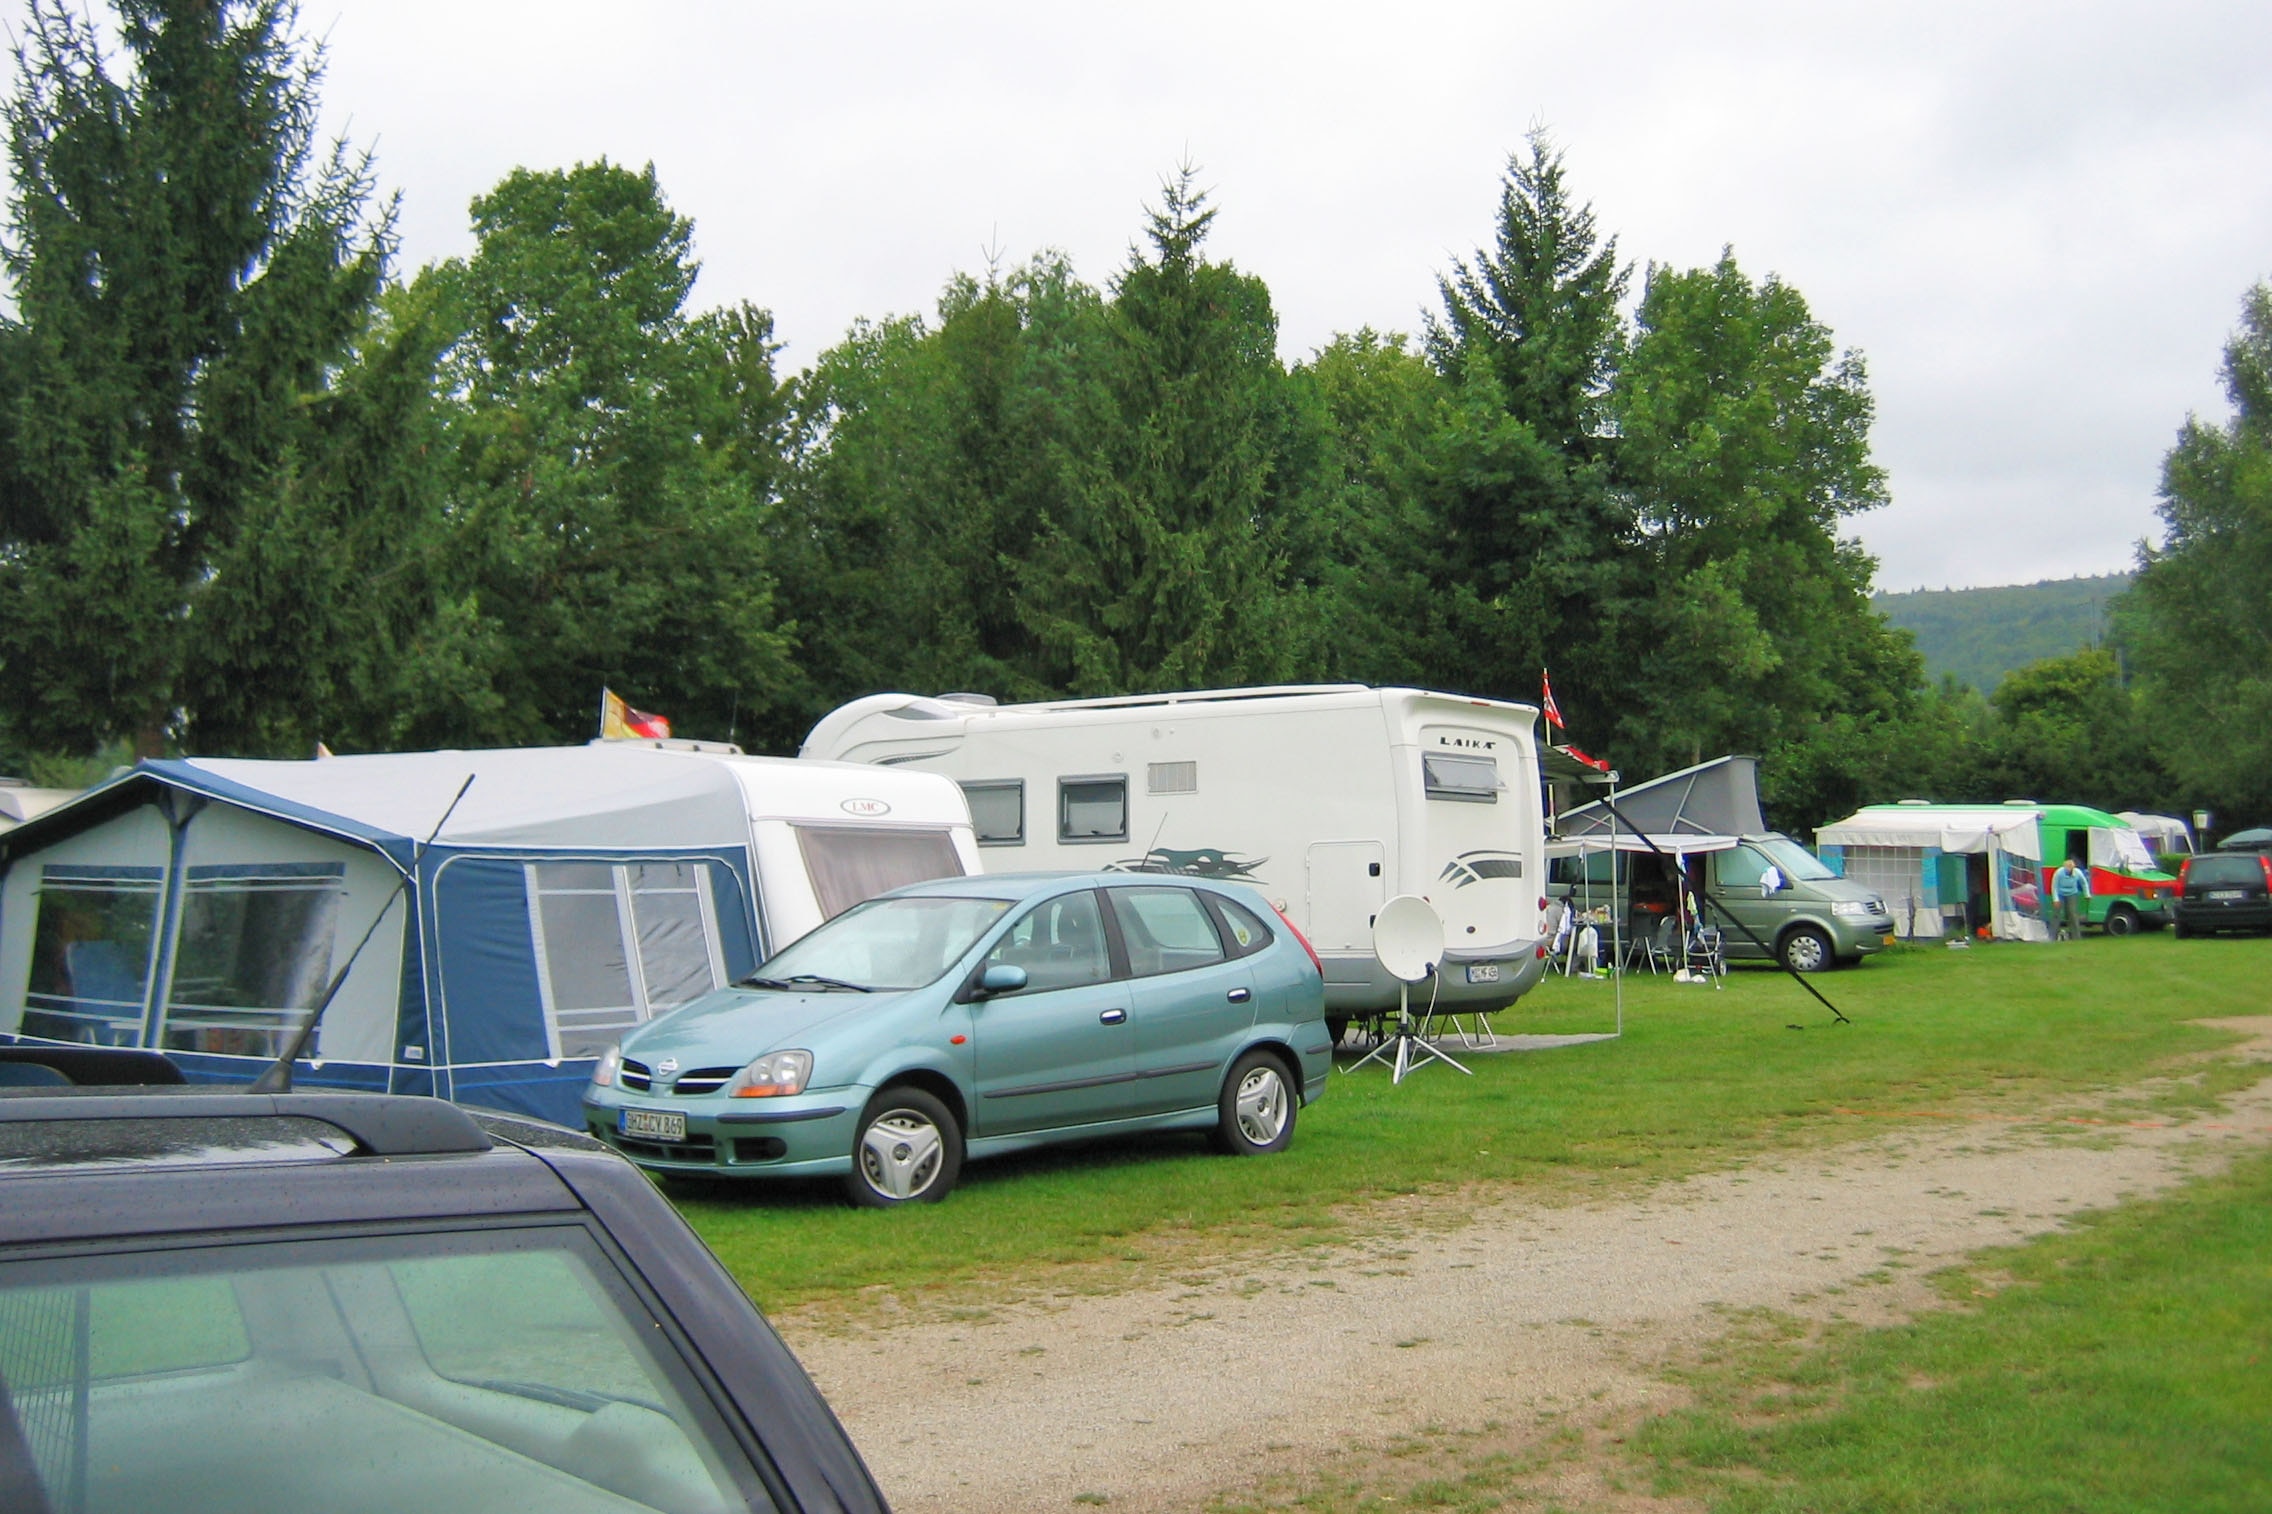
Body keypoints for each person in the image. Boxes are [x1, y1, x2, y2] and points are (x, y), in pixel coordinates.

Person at [2051, 856, 2090, 941]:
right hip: (2060, 893)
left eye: (2071, 869)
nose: (2070, 871)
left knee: (2072, 913)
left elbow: (2084, 883)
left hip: (2072, 893)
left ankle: (2076, 937)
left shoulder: (2077, 872)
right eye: (2068, 869)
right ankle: (2052, 936)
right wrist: (2055, 899)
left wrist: (2087, 894)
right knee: (2056, 914)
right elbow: (2054, 886)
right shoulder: (2059, 873)